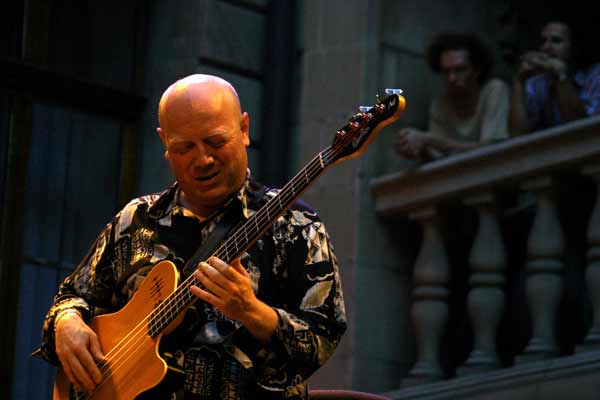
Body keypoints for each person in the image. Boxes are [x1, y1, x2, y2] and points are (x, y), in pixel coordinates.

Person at [34, 74, 347, 399]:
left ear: (244, 129)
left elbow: (322, 340)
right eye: (184, 147)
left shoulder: (297, 225)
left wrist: (252, 311)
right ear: (165, 144)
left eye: (215, 142)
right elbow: (72, 295)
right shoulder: (135, 219)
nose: (203, 160)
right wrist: (67, 323)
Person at [394, 32, 510, 161]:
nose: (452, 78)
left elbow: (490, 149)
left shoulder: (494, 90)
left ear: (477, 70)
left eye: (460, 70)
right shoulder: (440, 105)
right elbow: (438, 159)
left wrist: (429, 139)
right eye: (446, 72)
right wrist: (417, 149)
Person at [510, 21, 600, 134]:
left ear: (573, 47)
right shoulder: (536, 82)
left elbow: (582, 131)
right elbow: (517, 134)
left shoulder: (595, 76)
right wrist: (519, 81)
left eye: (556, 41)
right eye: (543, 41)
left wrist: (560, 74)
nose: (546, 47)